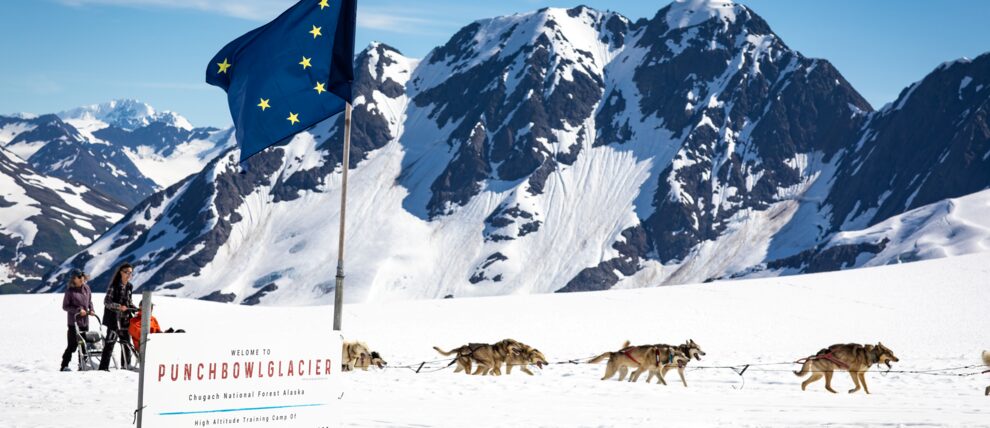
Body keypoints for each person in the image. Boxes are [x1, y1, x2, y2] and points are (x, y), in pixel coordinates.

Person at [98, 263, 137, 371]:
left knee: (126, 343)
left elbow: (129, 302)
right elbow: (106, 302)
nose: (129, 274)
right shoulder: (114, 286)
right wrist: (119, 307)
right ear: (121, 272)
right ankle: (103, 368)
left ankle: (126, 365)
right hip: (114, 320)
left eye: (130, 273)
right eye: (126, 272)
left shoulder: (129, 286)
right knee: (110, 344)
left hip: (125, 320)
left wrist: (136, 309)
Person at [60, 269, 94, 372]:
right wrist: (78, 310)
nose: (82, 278)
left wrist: (91, 309)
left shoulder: (87, 288)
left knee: (84, 345)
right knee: (72, 345)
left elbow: (89, 302)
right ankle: (64, 366)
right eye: (79, 277)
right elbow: (65, 306)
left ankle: (82, 365)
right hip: (73, 323)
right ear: (74, 279)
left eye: (82, 276)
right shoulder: (70, 291)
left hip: (85, 322)